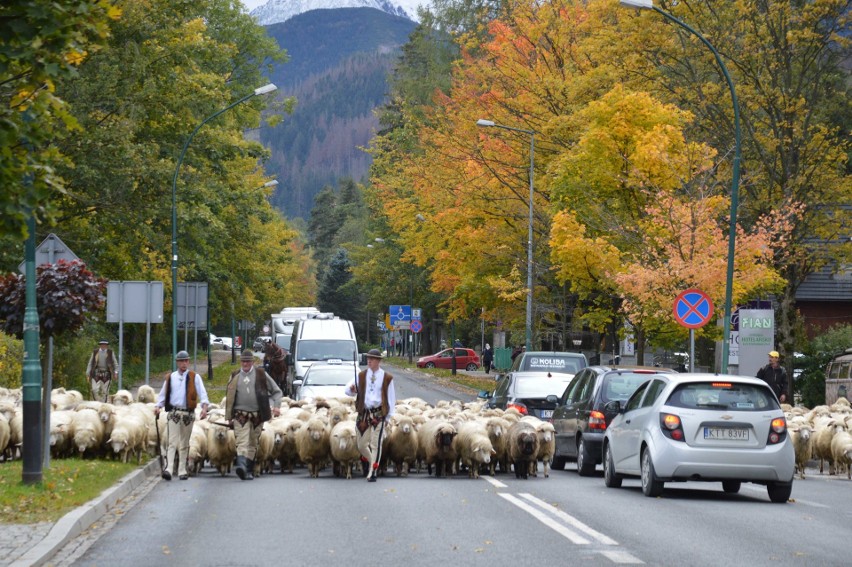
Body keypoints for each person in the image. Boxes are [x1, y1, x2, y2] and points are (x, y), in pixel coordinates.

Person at [226, 349, 282, 480]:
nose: (245, 364)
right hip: (240, 415)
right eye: (243, 361)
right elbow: (229, 398)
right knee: (241, 441)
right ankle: (241, 466)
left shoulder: (261, 374)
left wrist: (277, 406)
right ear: (241, 362)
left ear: (252, 362)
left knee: (253, 442)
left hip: (258, 415)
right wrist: (228, 417)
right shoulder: (235, 375)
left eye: (248, 361)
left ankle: (248, 469)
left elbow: (276, 391)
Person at [154, 350, 210, 481]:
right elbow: (163, 394)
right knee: (172, 441)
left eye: (186, 361)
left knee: (184, 443)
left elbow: (203, 394)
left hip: (187, 414)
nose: (184, 363)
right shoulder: (170, 377)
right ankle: (168, 468)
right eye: (181, 361)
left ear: (188, 362)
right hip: (174, 412)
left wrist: (204, 407)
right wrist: (158, 406)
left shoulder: (194, 377)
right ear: (177, 362)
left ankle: (182, 470)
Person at [344, 349, 396, 482]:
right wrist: (351, 389)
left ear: (378, 361)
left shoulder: (387, 378)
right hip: (364, 414)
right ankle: (372, 461)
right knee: (361, 445)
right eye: (368, 358)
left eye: (372, 359)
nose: (369, 361)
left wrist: (388, 417)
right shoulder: (361, 375)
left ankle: (373, 471)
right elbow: (348, 391)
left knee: (375, 444)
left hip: (379, 413)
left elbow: (391, 399)